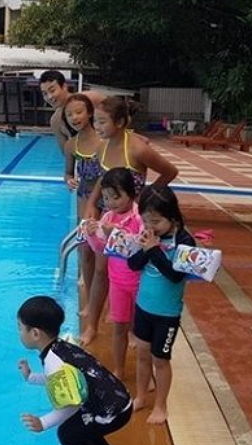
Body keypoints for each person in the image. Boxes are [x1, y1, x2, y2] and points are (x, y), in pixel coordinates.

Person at [80, 97, 179, 346]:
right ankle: (92, 325)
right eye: (95, 122)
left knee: (135, 273)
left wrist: (148, 199)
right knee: (102, 271)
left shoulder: (137, 148)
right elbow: (104, 180)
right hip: (110, 218)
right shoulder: (102, 147)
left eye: (102, 121)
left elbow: (170, 172)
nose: (97, 127)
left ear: (121, 122)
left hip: (134, 221)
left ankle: (134, 327)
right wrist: (92, 204)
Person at [17, 295, 132, 445]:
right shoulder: (61, 347)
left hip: (112, 412)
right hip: (120, 401)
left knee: (68, 433)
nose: (19, 332)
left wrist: (43, 422)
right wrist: (32, 377)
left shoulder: (54, 362)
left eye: (20, 327)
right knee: (84, 422)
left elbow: (71, 404)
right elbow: (62, 382)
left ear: (35, 333)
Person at [127, 186, 195, 424]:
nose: (149, 226)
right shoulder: (147, 235)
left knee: (160, 360)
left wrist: (154, 250)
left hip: (167, 315)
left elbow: (176, 275)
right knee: (143, 356)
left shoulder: (184, 241)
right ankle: (141, 396)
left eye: (155, 221)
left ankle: (161, 406)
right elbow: (133, 264)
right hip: (143, 307)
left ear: (172, 217)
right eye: (145, 220)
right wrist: (147, 248)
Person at [84, 168, 142, 379]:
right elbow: (101, 249)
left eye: (116, 197)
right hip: (117, 283)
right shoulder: (108, 216)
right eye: (106, 197)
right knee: (119, 327)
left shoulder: (138, 216)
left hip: (139, 282)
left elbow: (139, 247)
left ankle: (146, 374)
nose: (111, 202)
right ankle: (118, 369)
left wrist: (116, 234)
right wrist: (92, 236)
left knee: (142, 331)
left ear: (131, 193)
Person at [63, 94, 104, 306]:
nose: (74, 117)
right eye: (69, 114)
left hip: (107, 203)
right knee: (85, 253)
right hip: (84, 201)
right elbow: (68, 173)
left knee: (104, 257)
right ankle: (89, 300)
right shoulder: (71, 145)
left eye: (79, 112)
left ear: (89, 113)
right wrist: (69, 180)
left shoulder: (104, 139)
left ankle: (105, 300)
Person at [39, 71, 105, 154]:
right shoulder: (56, 121)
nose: (49, 97)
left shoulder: (92, 98)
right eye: (45, 94)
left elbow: (119, 117)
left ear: (64, 86)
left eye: (52, 90)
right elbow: (67, 154)